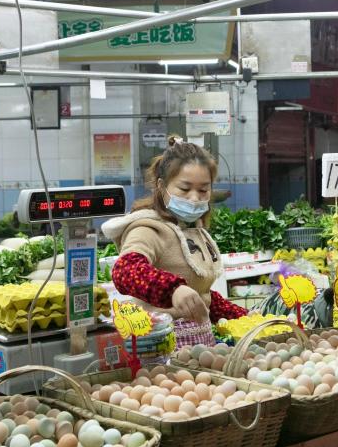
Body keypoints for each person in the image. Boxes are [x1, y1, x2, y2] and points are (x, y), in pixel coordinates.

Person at [102, 136, 246, 325]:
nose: (194, 198)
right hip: (159, 341)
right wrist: (173, 289)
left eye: (203, 190)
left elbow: (201, 297)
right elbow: (125, 271)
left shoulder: (193, 230)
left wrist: (242, 316)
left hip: (196, 341)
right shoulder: (148, 228)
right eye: (184, 189)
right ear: (162, 187)